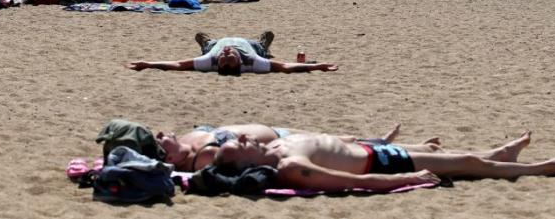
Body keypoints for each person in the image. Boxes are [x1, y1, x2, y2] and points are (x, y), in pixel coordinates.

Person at [213, 132, 555, 191]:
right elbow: (348, 181)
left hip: (377, 151)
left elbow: (334, 142)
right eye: (239, 146)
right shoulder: (289, 167)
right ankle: (551, 167)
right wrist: (403, 181)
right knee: (469, 162)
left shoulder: (280, 145)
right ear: (244, 162)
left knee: (463, 158)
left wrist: (384, 138)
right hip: (383, 166)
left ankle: (502, 155)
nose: (243, 138)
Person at [156, 123, 409, 173]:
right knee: (338, 142)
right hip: (274, 140)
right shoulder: (204, 156)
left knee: (337, 138)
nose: (159, 134)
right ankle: (381, 143)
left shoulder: (189, 144)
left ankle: (381, 143)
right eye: (159, 141)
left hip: (274, 132)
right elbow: (235, 160)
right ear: (170, 155)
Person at [125, 32, 338, 76]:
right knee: (262, 46)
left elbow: (178, 65)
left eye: (224, 56)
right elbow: (285, 67)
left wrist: (147, 63)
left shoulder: (211, 60)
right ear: (238, 62)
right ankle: (265, 43)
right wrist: (316, 66)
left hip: (215, 43)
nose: (227, 53)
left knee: (206, 41)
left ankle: (205, 41)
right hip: (250, 45)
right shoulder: (252, 62)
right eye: (230, 56)